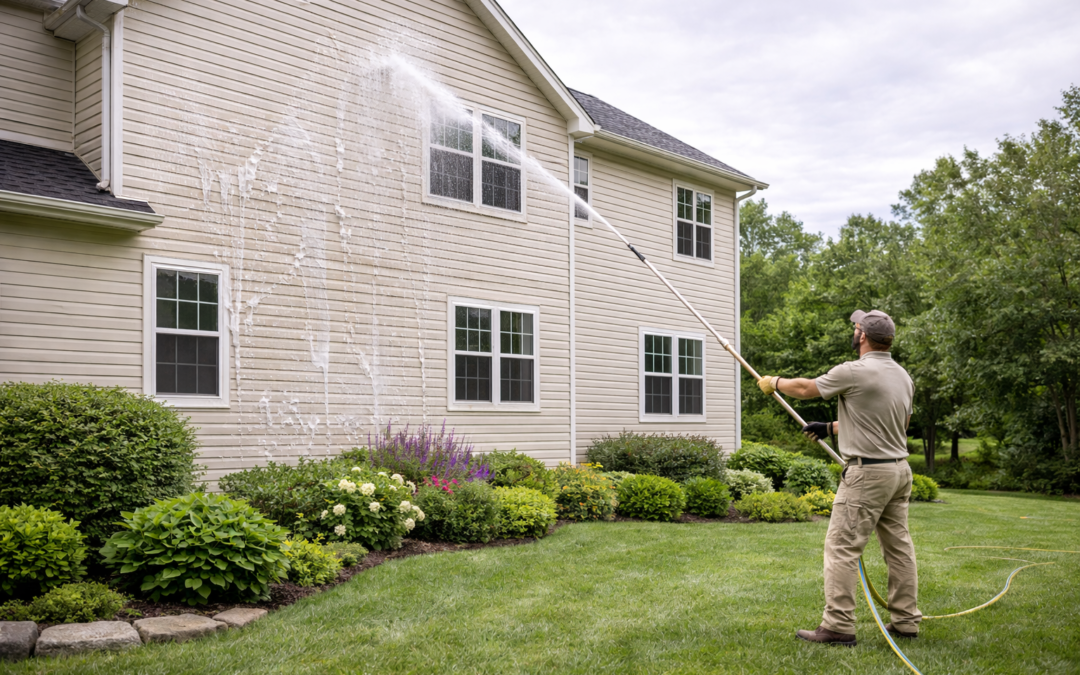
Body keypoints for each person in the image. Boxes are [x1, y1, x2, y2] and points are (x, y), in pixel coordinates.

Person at [756, 309, 919, 647]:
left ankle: (838, 626)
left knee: (842, 548)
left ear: (863, 335)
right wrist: (829, 428)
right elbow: (894, 425)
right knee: (899, 549)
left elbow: (805, 389)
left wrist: (775, 382)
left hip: (867, 474)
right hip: (899, 472)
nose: (854, 331)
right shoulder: (903, 376)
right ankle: (906, 622)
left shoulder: (854, 371)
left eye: (856, 327)